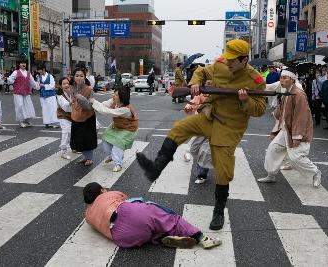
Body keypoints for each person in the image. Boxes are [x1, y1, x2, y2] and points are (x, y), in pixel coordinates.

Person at [136, 39, 267, 231]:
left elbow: (260, 109)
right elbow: (202, 71)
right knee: (178, 129)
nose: (228, 63)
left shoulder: (256, 80)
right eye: (227, 58)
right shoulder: (220, 65)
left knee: (223, 172)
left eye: (232, 60)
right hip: (210, 116)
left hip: (230, 127)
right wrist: (196, 83)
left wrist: (245, 101)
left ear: (244, 59)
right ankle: (156, 168)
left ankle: (219, 212)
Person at [83, 182, 222, 249]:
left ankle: (161, 238)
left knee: (146, 231)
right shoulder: (107, 195)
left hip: (122, 238)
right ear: (102, 191)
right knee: (169, 219)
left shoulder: (88, 215)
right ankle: (202, 238)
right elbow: (126, 198)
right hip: (129, 213)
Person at [258, 68, 322, 187]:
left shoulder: (298, 93)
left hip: (297, 130)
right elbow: (282, 108)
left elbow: (301, 115)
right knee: (273, 149)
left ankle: (315, 172)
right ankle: (271, 175)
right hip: (286, 129)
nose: (281, 80)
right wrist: (276, 121)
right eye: (281, 78)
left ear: (292, 79)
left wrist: (297, 136)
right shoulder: (286, 91)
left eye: (284, 78)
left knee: (295, 157)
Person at [91, 85, 139, 172]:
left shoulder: (126, 109)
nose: (113, 96)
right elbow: (104, 105)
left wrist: (94, 102)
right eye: (114, 94)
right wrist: (95, 106)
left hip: (129, 129)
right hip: (117, 125)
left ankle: (118, 164)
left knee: (118, 142)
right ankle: (113, 155)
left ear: (122, 97)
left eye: (116, 95)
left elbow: (109, 112)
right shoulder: (114, 101)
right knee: (105, 138)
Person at [70, 67, 98, 166]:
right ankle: (86, 157)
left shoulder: (89, 89)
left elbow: (91, 106)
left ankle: (89, 158)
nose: (79, 78)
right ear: (73, 77)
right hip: (76, 116)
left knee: (87, 139)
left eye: (81, 76)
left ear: (85, 77)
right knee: (78, 139)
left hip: (87, 117)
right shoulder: (72, 87)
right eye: (77, 76)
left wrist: (82, 99)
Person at [183, 93, 212, 184]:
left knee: (205, 152)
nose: (209, 85)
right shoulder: (201, 94)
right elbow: (194, 102)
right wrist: (189, 107)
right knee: (193, 147)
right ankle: (188, 152)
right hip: (200, 126)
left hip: (214, 127)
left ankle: (202, 175)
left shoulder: (219, 92)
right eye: (207, 83)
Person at [7, 58, 38, 128]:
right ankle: (20, 121)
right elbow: (10, 80)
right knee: (20, 106)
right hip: (18, 92)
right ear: (19, 64)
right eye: (22, 63)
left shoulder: (28, 73)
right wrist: (8, 79)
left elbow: (32, 82)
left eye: (24, 63)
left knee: (28, 106)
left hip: (26, 92)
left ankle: (27, 120)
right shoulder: (16, 72)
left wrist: (37, 86)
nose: (23, 64)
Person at [36, 64, 59, 128]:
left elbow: (52, 86)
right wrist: (37, 85)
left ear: (43, 69)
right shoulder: (38, 77)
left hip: (50, 95)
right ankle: (47, 122)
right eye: (38, 70)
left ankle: (55, 122)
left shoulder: (50, 76)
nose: (39, 71)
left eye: (39, 70)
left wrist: (43, 85)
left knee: (53, 108)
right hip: (42, 95)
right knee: (44, 108)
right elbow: (37, 87)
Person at [56, 77, 73, 160]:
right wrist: (71, 102)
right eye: (64, 84)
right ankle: (64, 151)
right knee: (66, 131)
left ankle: (74, 147)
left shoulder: (73, 92)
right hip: (63, 116)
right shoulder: (59, 95)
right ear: (61, 86)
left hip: (73, 116)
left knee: (74, 132)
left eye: (67, 83)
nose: (66, 85)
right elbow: (65, 107)